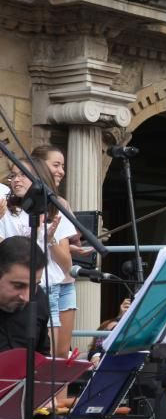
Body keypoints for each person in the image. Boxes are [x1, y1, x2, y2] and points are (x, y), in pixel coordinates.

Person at [0, 237, 94, 419]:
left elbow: (41, 355)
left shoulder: (36, 300)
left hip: (20, 408)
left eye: (34, 286)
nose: (26, 296)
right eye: (17, 285)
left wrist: (47, 388)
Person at [0, 159, 75, 352]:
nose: (16, 180)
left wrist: (50, 240)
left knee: (54, 355)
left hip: (45, 288)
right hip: (12, 288)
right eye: (13, 175)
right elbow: (8, 253)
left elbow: (67, 266)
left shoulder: (54, 211)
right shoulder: (5, 210)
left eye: (23, 175)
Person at [31, 145, 79, 359]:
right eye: (56, 165)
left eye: (63, 166)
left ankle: (60, 394)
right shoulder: (21, 204)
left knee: (62, 353)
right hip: (43, 282)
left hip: (64, 280)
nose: (61, 171)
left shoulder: (59, 203)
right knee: (48, 351)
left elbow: (68, 248)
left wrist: (55, 241)